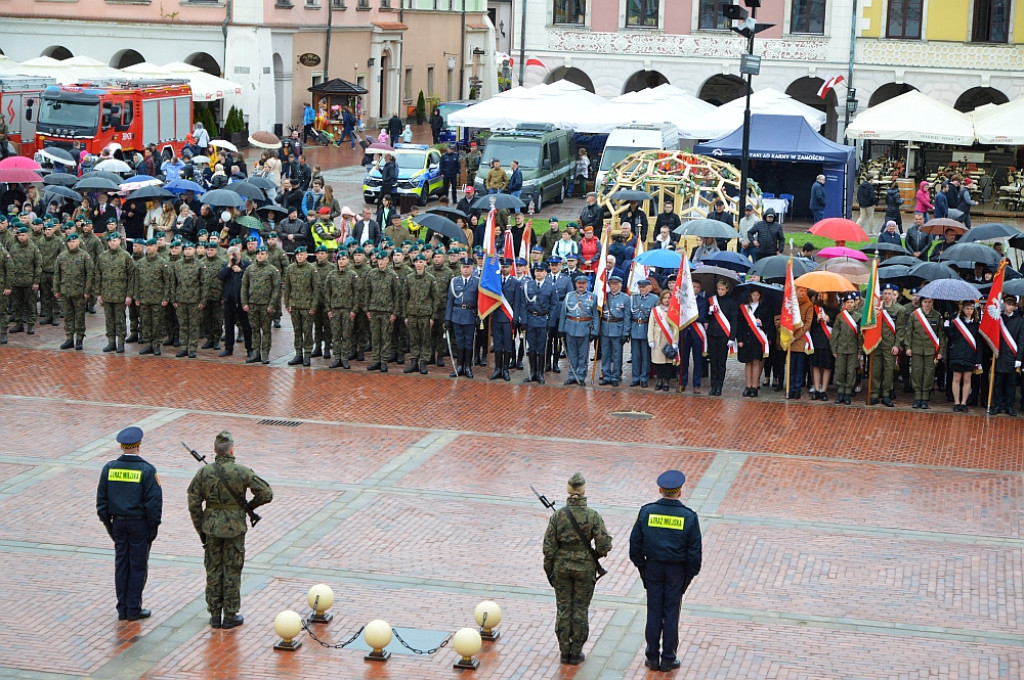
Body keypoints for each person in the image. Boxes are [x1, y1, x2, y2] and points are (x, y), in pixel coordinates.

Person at [187, 430, 273, 629]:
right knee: (232, 571)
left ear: (215, 450)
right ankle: (230, 615)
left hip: (211, 528)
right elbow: (266, 493)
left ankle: (215, 614)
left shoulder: (204, 473)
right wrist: (249, 507)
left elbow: (193, 503)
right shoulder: (242, 472)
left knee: (214, 570)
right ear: (232, 449)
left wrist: (201, 529)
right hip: (235, 529)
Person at [629, 469, 702, 673]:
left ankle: (652, 657)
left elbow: (634, 546)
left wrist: (643, 569)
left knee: (653, 611)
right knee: (671, 613)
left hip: (652, 568)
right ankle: (668, 658)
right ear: (679, 492)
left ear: (660, 489)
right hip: (676, 572)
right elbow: (695, 554)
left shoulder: (646, 512)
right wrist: (686, 578)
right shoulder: (689, 517)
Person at [542, 472, 612, 666]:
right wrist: (593, 556)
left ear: (568, 490)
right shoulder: (592, 515)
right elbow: (604, 544)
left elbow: (548, 548)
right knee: (580, 609)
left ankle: (564, 651)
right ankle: (576, 651)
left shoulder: (558, 515)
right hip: (584, 568)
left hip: (562, 568)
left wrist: (550, 571)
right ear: (583, 491)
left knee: (564, 609)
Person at [96, 426, 163, 621]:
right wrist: (153, 527)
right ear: (139, 446)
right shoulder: (147, 470)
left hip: (118, 523)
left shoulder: (109, 468)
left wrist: (108, 524)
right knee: (137, 566)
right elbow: (154, 503)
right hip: (139, 524)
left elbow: (101, 501)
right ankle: (133, 608)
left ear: (121, 446)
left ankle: (122, 608)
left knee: (121, 565)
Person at [95, 232, 137, 353]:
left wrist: (129, 295)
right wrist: (98, 293)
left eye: (115, 241)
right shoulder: (102, 256)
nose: (112, 243)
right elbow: (98, 275)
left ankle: (120, 343)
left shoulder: (125, 256)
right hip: (107, 294)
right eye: (110, 241)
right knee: (109, 319)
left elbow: (131, 276)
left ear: (119, 241)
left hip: (120, 294)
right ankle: (111, 342)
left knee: (120, 319)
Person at [240, 246, 280, 364]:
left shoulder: (272, 270)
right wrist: (244, 302)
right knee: (255, 330)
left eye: (262, 254)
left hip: (265, 305)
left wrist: (272, 305)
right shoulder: (250, 269)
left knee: (266, 330)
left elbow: (276, 289)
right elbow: (244, 287)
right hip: (252, 305)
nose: (260, 256)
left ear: (267, 255)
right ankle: (256, 353)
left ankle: (265, 354)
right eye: (258, 254)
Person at [364, 248, 401, 372]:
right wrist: (367, 309)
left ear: (387, 260)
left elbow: (397, 295)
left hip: (387, 311)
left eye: (383, 260)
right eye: (379, 260)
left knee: (385, 337)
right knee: (375, 336)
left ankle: (384, 361)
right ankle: (376, 360)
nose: (380, 262)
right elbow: (367, 293)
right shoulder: (371, 274)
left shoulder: (392, 275)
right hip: (374, 310)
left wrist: (395, 312)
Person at [905, 294, 946, 409]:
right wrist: (908, 347)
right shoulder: (914, 315)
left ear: (933, 303)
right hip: (917, 349)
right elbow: (908, 332)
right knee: (916, 373)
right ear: (921, 302)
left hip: (931, 350)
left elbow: (941, 335)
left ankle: (925, 398)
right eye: (925, 302)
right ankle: (917, 397)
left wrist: (941, 351)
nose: (927, 304)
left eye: (930, 302)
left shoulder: (937, 316)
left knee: (929, 374)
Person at [558, 273, 599, 386]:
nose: (581, 285)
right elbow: (563, 314)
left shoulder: (592, 297)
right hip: (570, 328)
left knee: (583, 355)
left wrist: (595, 331)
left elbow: (595, 316)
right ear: (575, 284)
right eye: (579, 283)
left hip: (585, 328)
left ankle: (581, 376)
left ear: (587, 284)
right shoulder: (569, 296)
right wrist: (561, 329)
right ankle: (572, 375)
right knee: (571, 354)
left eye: (583, 283)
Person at [988, 294, 1024, 415]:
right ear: (1004, 304)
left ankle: (1009, 406)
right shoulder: (998, 319)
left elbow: (1021, 340)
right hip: (1000, 355)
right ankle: (997, 405)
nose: (1010, 307)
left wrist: (1019, 358)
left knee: (1011, 384)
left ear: (1015, 306)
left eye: (1012, 305)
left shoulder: (1020, 321)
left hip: (1012, 356)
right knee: (998, 382)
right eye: (1008, 304)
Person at [445, 257, 480, 377]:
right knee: (459, 341)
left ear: (472, 268)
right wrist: (447, 318)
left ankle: (468, 367)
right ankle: (459, 366)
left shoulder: (477, 281)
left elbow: (480, 301)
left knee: (469, 342)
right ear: (460, 268)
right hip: (457, 315)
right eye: (464, 267)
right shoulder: (455, 281)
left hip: (470, 315)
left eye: (468, 267)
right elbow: (450, 301)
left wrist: (479, 316)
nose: (465, 269)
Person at [945, 300, 982, 413]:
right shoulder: (956, 322)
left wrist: (978, 359)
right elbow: (952, 337)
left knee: (967, 379)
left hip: (970, 355)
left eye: (971, 309)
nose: (969, 311)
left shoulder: (976, 325)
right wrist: (947, 327)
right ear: (963, 310)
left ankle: (963, 403)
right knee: (956, 378)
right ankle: (956, 402)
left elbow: (979, 343)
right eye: (967, 308)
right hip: (957, 354)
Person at [737, 287, 774, 397]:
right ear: (750, 295)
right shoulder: (744, 307)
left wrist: (762, 324)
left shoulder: (764, 308)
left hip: (757, 339)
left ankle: (754, 386)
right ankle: (748, 386)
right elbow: (740, 324)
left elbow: (770, 323)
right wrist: (739, 339)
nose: (755, 297)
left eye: (757, 295)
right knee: (748, 362)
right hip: (746, 338)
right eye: (754, 295)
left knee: (756, 361)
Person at [706, 279, 737, 396]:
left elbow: (734, 321)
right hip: (712, 334)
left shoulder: (731, 302)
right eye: (719, 289)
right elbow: (706, 318)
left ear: (727, 289)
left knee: (721, 362)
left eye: (723, 289)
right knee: (713, 361)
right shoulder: (712, 301)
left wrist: (732, 338)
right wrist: (709, 313)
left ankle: (719, 386)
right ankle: (713, 385)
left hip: (724, 335)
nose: (720, 291)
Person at [829, 291, 860, 404]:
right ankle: (840, 392)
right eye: (848, 302)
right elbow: (835, 334)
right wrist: (834, 349)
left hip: (853, 350)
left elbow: (861, 336)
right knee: (840, 371)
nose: (850, 304)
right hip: (841, 349)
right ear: (844, 304)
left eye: (852, 302)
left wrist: (860, 350)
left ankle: (847, 393)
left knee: (851, 372)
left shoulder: (858, 317)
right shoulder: (840, 317)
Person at [598, 275, 629, 386]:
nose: (614, 287)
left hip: (618, 329)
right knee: (605, 353)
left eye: (616, 284)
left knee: (617, 354)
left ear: (620, 285)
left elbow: (627, 317)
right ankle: (606, 375)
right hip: (605, 328)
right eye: (612, 284)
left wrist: (626, 333)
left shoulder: (625, 298)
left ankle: (616, 375)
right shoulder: (605, 297)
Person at [647, 289, 678, 391]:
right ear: (661, 299)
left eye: (669, 298)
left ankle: (666, 381)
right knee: (658, 362)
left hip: (668, 340)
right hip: (657, 340)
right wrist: (650, 339)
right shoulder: (655, 310)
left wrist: (674, 341)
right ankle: (659, 380)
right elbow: (651, 325)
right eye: (665, 298)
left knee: (668, 363)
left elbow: (675, 328)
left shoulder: (674, 310)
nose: (667, 300)